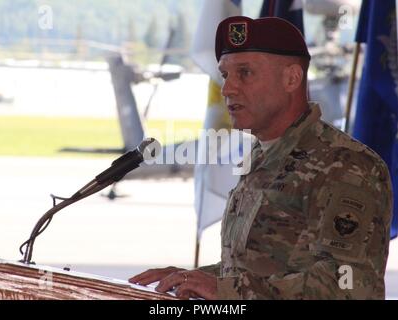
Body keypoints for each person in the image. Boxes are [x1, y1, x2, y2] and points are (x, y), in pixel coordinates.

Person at [129, 16, 393, 300]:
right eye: (225, 75)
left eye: (245, 73)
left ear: (291, 78)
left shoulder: (345, 165)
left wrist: (224, 290)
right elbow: (259, 270)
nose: (228, 88)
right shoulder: (265, 155)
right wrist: (189, 279)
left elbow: (346, 286)